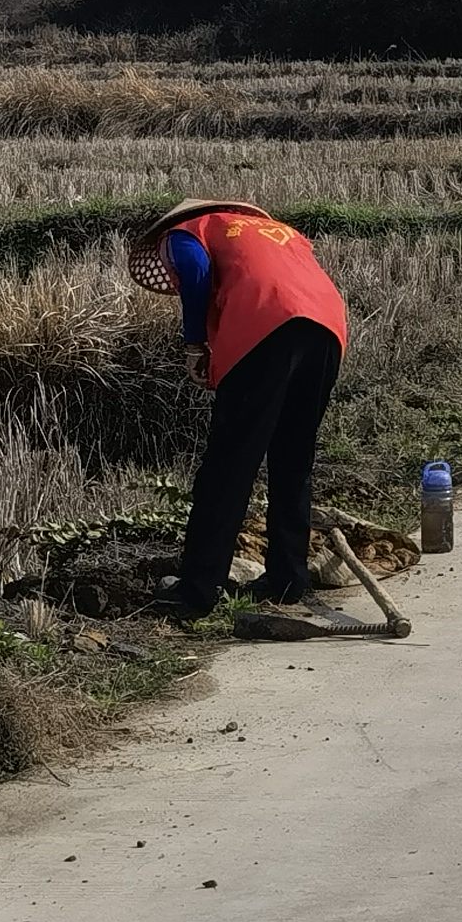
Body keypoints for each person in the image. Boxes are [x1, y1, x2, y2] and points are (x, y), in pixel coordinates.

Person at [131, 197, 349, 623]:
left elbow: (195, 273)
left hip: (265, 326)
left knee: (229, 464)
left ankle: (197, 590)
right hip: (327, 326)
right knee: (293, 456)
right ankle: (288, 580)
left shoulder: (185, 233)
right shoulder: (280, 232)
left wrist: (194, 341)